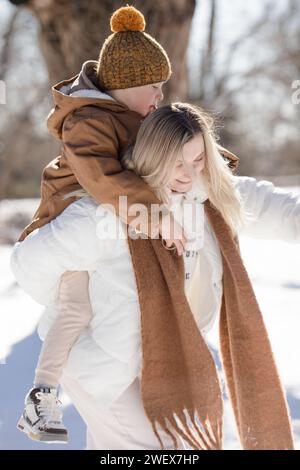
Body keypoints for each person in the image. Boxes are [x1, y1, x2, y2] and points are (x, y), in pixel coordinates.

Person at [11, 102, 299, 450]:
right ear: (153, 154)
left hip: (160, 363)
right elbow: (30, 261)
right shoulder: (113, 212)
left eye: (197, 160)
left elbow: (273, 206)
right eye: (177, 163)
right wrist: (75, 302)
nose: (188, 174)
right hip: (102, 362)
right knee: (154, 447)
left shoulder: (209, 196)